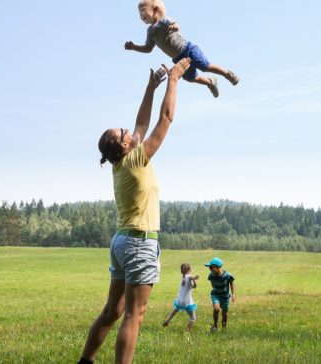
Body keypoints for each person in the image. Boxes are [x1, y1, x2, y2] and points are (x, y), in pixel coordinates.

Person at [77, 57, 191, 364]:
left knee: (112, 312)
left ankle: (84, 362)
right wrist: (174, 80)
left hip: (121, 243)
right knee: (133, 316)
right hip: (139, 243)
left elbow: (141, 124)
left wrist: (150, 87)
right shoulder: (137, 160)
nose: (131, 131)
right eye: (125, 132)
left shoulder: (120, 163)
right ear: (124, 146)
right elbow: (164, 120)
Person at [124, 0, 240, 98]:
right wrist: (134, 47)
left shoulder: (163, 21)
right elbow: (148, 48)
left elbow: (176, 23)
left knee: (205, 66)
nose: (141, 15)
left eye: (143, 10)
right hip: (178, 58)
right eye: (139, 13)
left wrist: (175, 26)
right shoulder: (150, 32)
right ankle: (210, 82)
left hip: (188, 50)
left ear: (155, 9)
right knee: (191, 78)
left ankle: (227, 74)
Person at [162, 263, 199, 331]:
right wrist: (194, 278)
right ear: (190, 269)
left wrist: (193, 279)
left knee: (175, 310)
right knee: (193, 317)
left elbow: (192, 285)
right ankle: (188, 330)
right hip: (187, 301)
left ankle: (167, 320)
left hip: (179, 300)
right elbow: (194, 284)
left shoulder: (183, 276)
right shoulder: (189, 276)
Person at [204, 257, 235, 332]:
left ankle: (224, 327)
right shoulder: (211, 275)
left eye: (211, 267)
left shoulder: (227, 275)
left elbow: (231, 283)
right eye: (209, 267)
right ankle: (215, 325)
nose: (210, 269)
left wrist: (233, 294)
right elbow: (212, 283)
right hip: (215, 295)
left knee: (224, 313)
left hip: (225, 297)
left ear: (218, 267)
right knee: (216, 309)